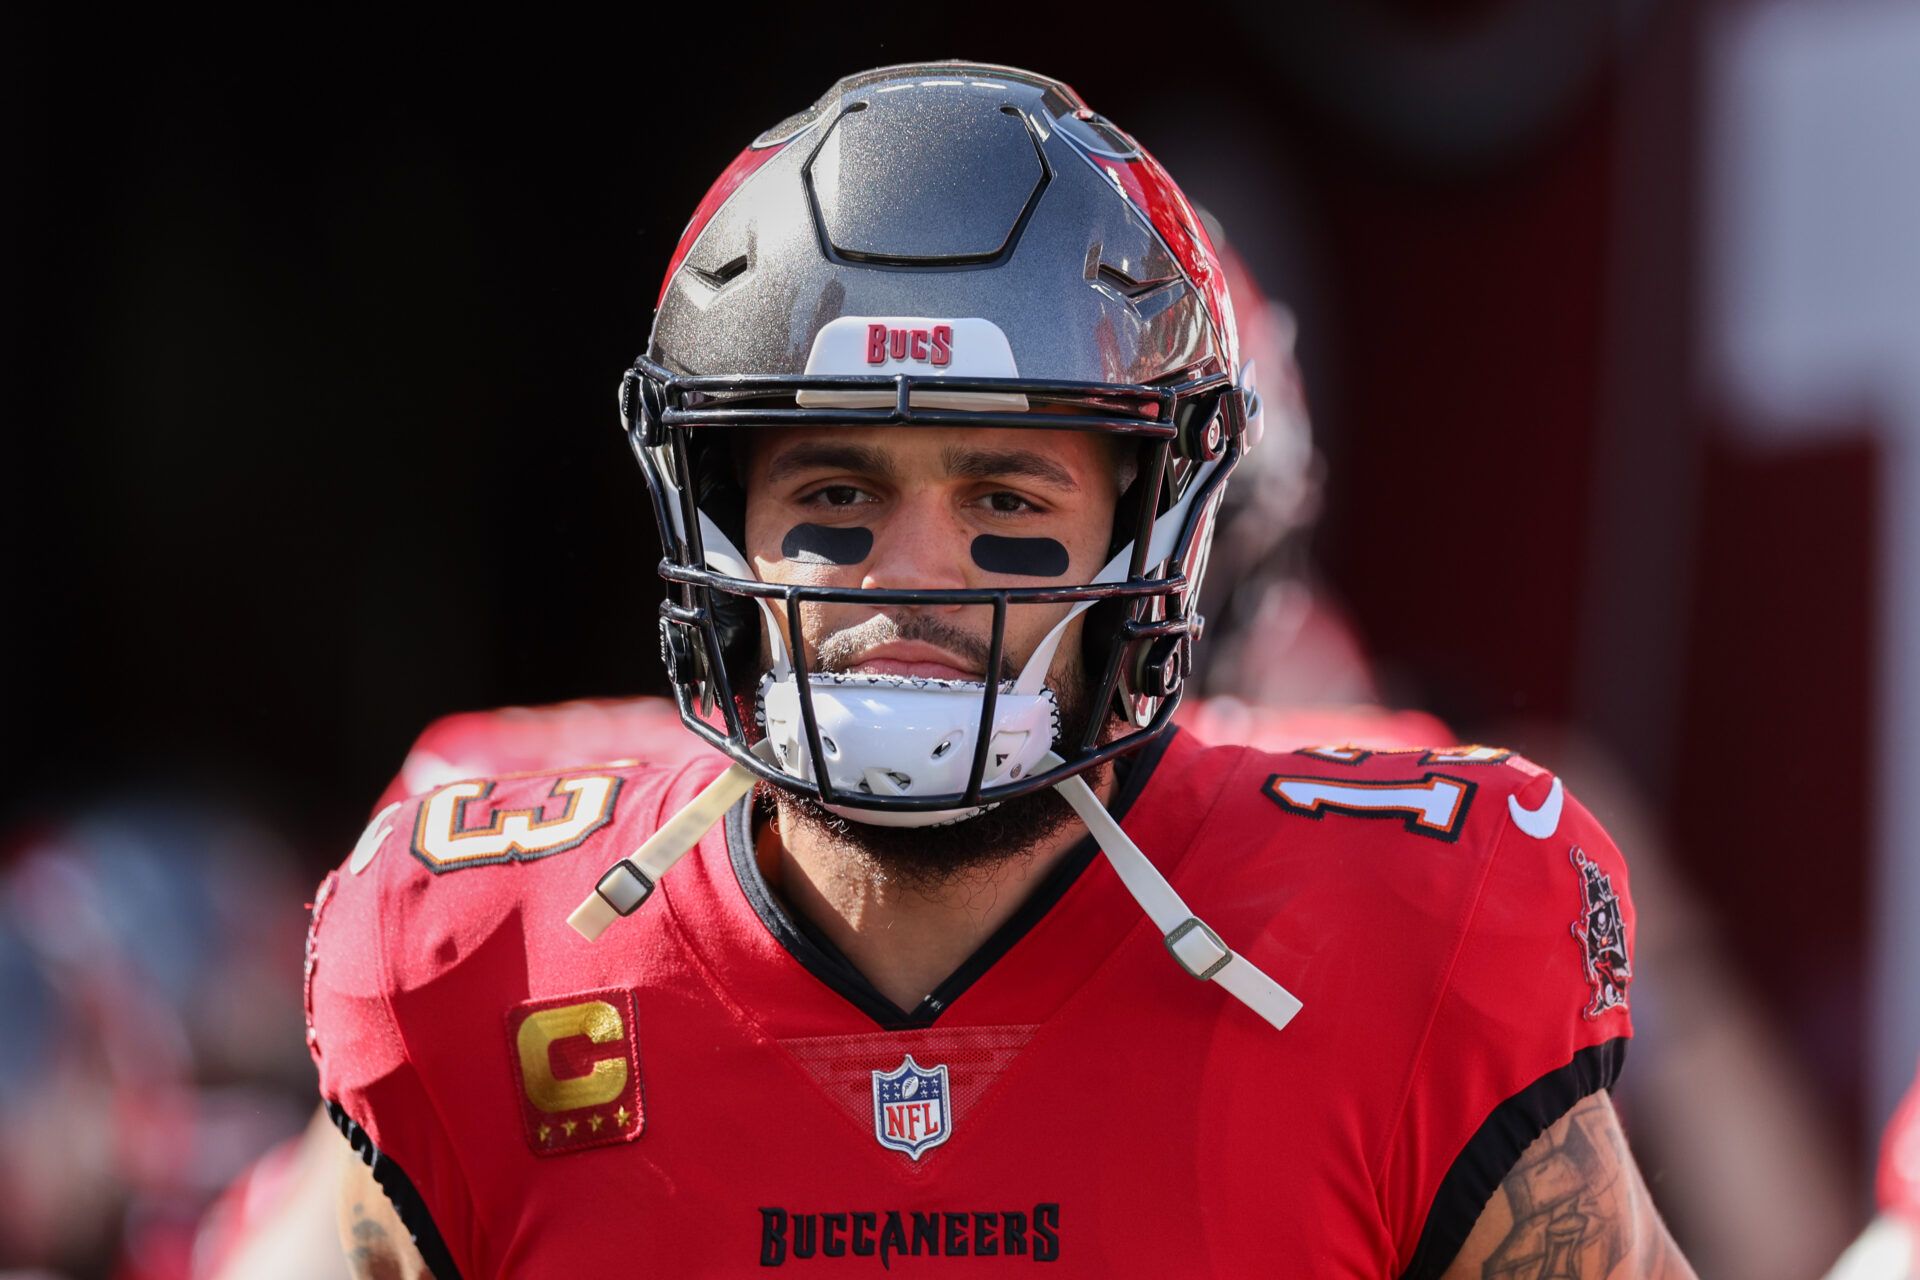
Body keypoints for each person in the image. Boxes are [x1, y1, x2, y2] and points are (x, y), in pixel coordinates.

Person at [306, 62, 1694, 1277]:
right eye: (837, 498)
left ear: (1156, 530)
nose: (914, 577)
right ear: (717, 517)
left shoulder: (1404, 940)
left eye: (1007, 508)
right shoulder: (475, 967)